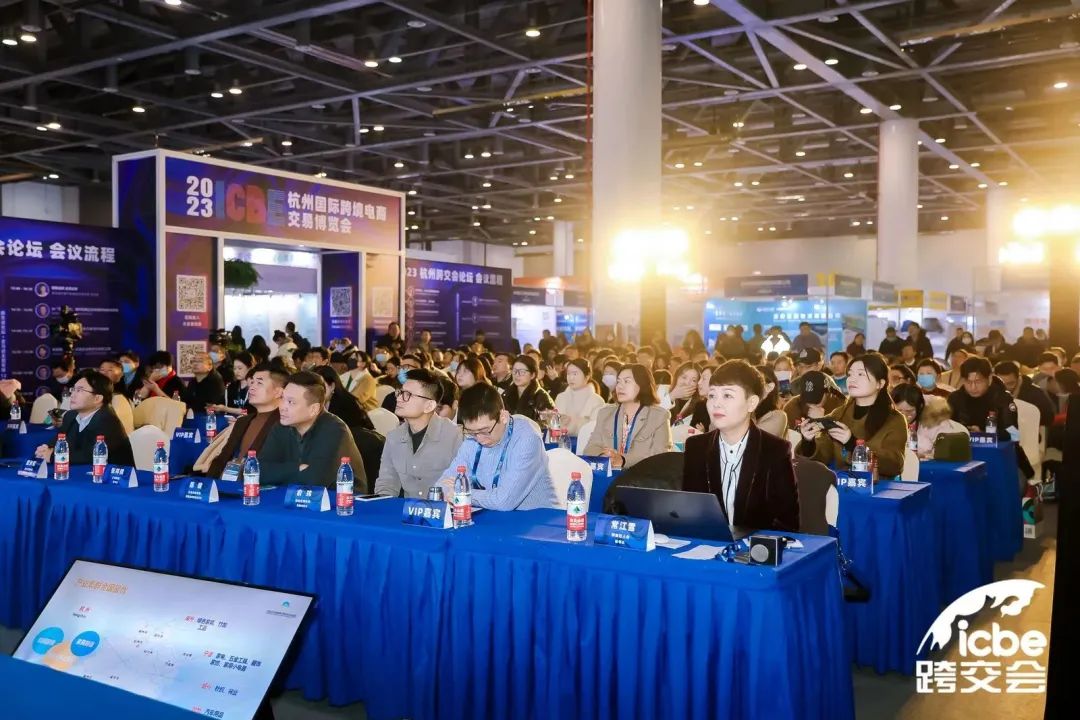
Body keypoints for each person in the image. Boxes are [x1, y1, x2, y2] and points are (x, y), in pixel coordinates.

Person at [682, 360, 800, 536]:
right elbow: (689, 512)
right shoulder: (696, 447)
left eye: (727, 395)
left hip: (755, 548)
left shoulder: (774, 450)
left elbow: (787, 522)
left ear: (751, 403)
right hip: (708, 544)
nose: (716, 404)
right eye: (712, 395)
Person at [435, 383, 555, 510]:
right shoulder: (472, 438)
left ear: (503, 417)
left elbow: (504, 501)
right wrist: (450, 490)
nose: (480, 439)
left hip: (536, 518)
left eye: (485, 431)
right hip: (490, 515)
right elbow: (443, 483)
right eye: (472, 432)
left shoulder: (527, 439)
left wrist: (462, 492)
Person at [797, 353, 907, 478]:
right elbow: (823, 455)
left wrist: (852, 443)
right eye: (850, 374)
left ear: (880, 383)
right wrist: (808, 441)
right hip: (842, 483)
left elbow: (895, 464)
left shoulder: (894, 420)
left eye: (860, 374)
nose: (852, 379)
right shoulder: (839, 414)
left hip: (877, 485)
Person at [257, 371, 366, 489]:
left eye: (291, 402)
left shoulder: (335, 429)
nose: (282, 407)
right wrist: (297, 468)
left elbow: (316, 480)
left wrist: (279, 472)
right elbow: (258, 471)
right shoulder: (281, 426)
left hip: (339, 498)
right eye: (282, 398)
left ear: (313, 409)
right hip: (293, 495)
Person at [374, 369, 464, 498]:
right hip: (407, 509)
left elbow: (463, 484)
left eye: (407, 395)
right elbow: (387, 484)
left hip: (444, 508)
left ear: (429, 406)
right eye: (400, 393)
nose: (399, 399)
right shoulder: (394, 437)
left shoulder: (455, 436)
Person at [36, 370, 134, 467]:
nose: (72, 395)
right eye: (73, 389)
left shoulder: (108, 421)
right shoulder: (70, 415)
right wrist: (46, 448)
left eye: (80, 390)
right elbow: (57, 441)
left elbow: (89, 455)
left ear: (97, 399)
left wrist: (53, 456)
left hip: (112, 474)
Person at [583, 364, 672, 469]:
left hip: (641, 476)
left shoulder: (659, 416)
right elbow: (590, 448)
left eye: (627, 381)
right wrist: (604, 456)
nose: (620, 386)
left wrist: (623, 460)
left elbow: (660, 456)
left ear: (642, 385)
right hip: (609, 474)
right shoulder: (605, 413)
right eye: (618, 382)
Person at [207, 363, 287, 479]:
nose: (252, 388)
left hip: (257, 485)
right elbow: (222, 459)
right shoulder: (242, 422)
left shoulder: (285, 424)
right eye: (252, 382)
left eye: (259, 383)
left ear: (278, 392)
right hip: (227, 483)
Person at [947, 356, 1018, 440]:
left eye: (978, 382)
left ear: (989, 379)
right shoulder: (955, 398)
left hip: (996, 447)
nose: (973, 387)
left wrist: (983, 434)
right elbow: (945, 429)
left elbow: (1014, 435)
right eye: (968, 382)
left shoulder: (1004, 399)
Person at [890, 384, 968, 459]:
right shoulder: (888, 417)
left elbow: (944, 450)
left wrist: (908, 435)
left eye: (909, 411)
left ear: (920, 407)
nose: (903, 415)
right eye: (899, 410)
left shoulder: (936, 420)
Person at [310, 366, 375, 431]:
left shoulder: (347, 404)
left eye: (321, 387)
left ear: (332, 386)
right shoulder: (314, 403)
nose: (316, 391)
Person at [554, 358, 605, 438]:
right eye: (568, 374)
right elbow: (554, 429)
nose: (571, 378)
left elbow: (595, 431)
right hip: (561, 443)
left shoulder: (597, 401)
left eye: (575, 374)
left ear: (587, 376)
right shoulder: (561, 397)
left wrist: (573, 422)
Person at [501, 355, 555, 426]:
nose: (517, 375)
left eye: (522, 372)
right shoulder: (506, 394)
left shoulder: (541, 397)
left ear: (532, 375)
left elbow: (548, 424)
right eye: (514, 371)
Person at [213, 351, 254, 416]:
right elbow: (221, 404)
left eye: (240, 368)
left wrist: (225, 409)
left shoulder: (255, 388)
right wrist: (215, 408)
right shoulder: (231, 386)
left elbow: (248, 412)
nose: (236, 371)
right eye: (234, 368)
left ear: (250, 368)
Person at [664, 362, 702, 426]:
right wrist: (672, 396)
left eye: (694, 380)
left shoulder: (700, 406)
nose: (687, 383)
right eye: (684, 377)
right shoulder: (663, 392)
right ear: (676, 377)